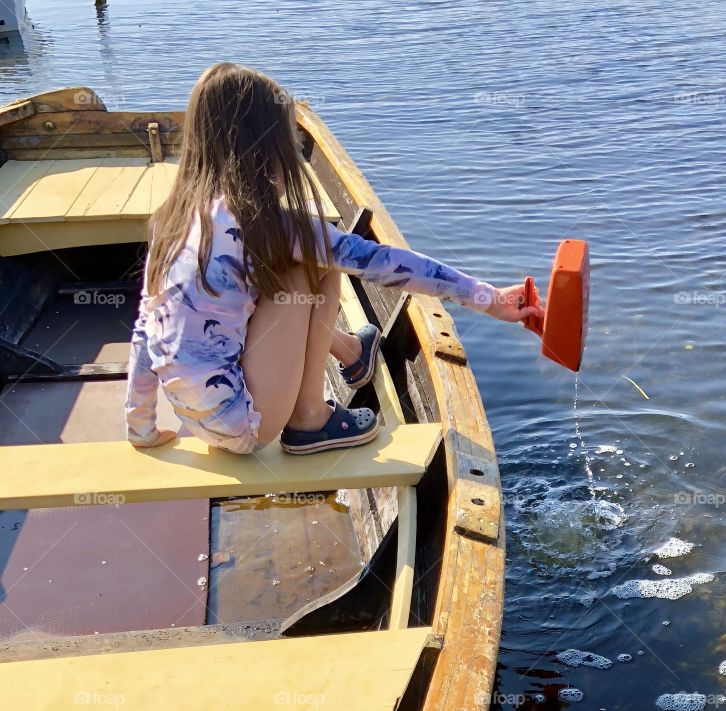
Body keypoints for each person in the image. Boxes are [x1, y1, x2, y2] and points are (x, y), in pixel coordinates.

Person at [125, 62, 541, 456]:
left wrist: (140, 425)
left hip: (189, 414)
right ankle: (309, 419)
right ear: (268, 147)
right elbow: (382, 263)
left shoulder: (172, 220)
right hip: (244, 426)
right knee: (312, 267)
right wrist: (485, 298)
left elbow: (145, 328)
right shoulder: (271, 226)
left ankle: (350, 352)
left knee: (267, 278)